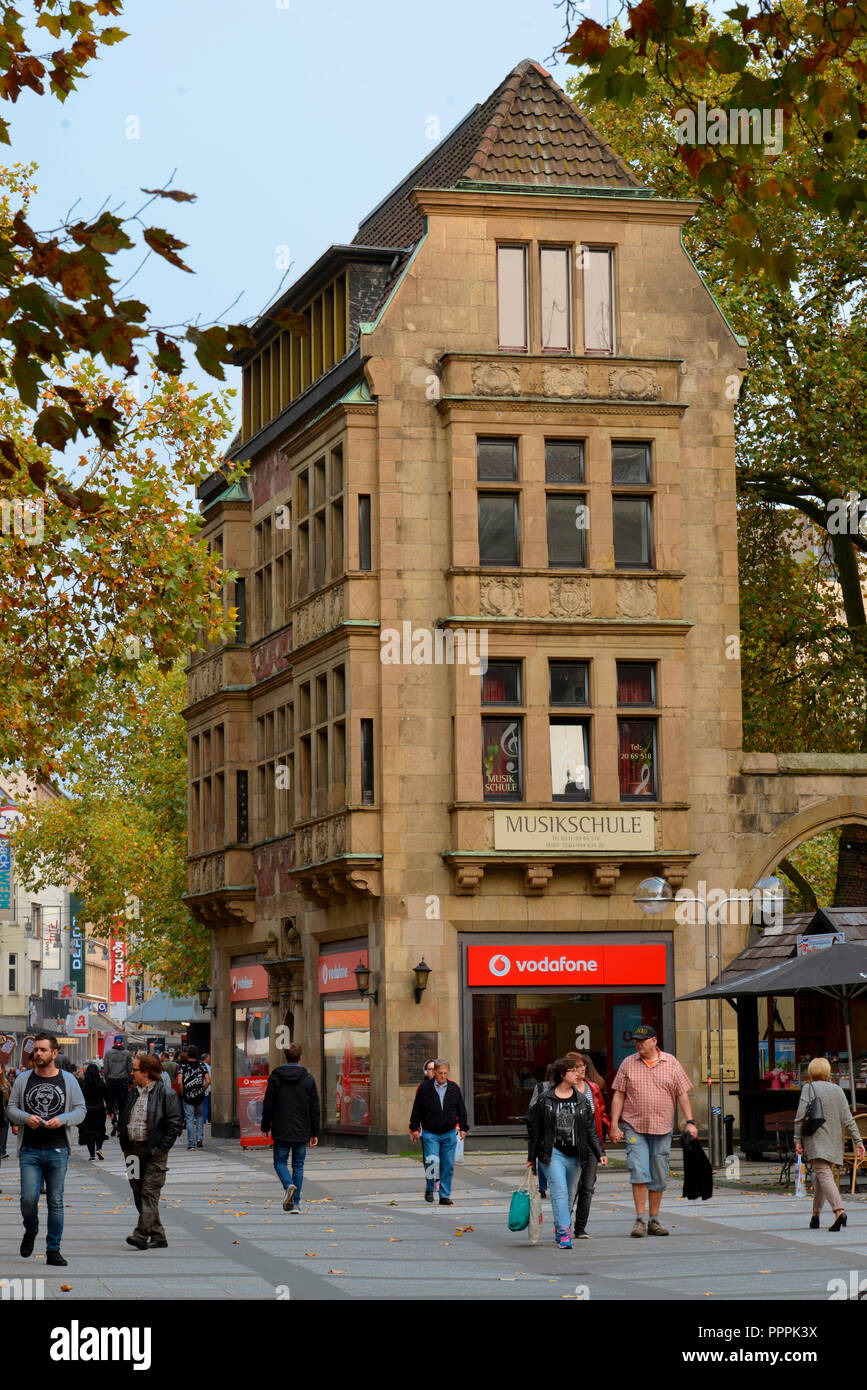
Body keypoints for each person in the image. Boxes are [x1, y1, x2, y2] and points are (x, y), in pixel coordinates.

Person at [609, 1024, 697, 1238]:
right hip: (634, 1126)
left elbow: (682, 1094)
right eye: (636, 1041)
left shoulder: (671, 1063)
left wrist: (690, 1121)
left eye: (642, 1040)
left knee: (658, 1173)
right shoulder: (628, 1063)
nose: (638, 1044)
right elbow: (619, 1095)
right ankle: (639, 1219)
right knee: (638, 1170)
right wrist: (613, 1124)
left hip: (662, 1127)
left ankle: (654, 1220)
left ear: (654, 1041)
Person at [7, 1031, 85, 1266]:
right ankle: (31, 1229)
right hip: (30, 1150)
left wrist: (62, 1120)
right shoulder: (23, 1079)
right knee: (28, 1199)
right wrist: (24, 1118)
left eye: (43, 1050)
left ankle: (53, 1249)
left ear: (54, 1052)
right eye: (36, 1050)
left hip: (57, 1150)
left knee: (56, 1201)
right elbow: (10, 1108)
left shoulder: (68, 1080)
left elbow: (81, 1110)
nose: (37, 1054)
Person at [526, 1057, 607, 1249]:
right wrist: (532, 1156)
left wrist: (599, 1152)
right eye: (572, 1071)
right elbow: (535, 1129)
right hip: (553, 1152)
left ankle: (559, 1226)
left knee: (570, 1194)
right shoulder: (545, 1099)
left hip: (577, 1154)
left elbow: (590, 1130)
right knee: (559, 1193)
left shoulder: (581, 1101)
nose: (577, 1074)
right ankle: (564, 1233)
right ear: (562, 1075)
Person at [118, 1052, 183, 1249]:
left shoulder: (166, 1094)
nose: (132, 1073)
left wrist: (162, 1148)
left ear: (146, 1072)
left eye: (135, 1070)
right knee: (138, 1193)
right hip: (131, 1152)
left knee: (149, 1193)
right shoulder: (132, 1093)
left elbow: (175, 1124)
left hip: (154, 1152)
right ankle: (158, 1234)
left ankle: (141, 1234)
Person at [795, 1055, 866, 1231]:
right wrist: (858, 1141)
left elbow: (800, 1117)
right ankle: (815, 1216)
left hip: (816, 1139)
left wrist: (797, 1140)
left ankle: (838, 1210)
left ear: (811, 1072)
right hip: (835, 1140)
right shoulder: (838, 1090)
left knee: (823, 1174)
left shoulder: (808, 1088)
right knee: (822, 1176)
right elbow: (849, 1119)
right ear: (827, 1072)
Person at [261, 1042, 320, 1213]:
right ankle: (296, 1204)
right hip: (302, 1128)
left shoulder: (275, 1077)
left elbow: (268, 1104)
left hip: (281, 1127)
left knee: (279, 1162)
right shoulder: (308, 1079)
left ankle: (288, 1185)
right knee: (298, 1165)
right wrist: (314, 1132)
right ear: (300, 1058)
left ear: (285, 1057)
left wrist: (265, 1126)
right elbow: (314, 1107)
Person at [409, 1059, 468, 1207]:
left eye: (445, 1073)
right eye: (440, 1073)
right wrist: (414, 1128)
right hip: (431, 1132)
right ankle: (430, 1187)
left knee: (448, 1165)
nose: (442, 1076)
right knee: (431, 1161)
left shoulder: (454, 1088)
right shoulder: (424, 1088)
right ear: (434, 1073)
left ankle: (444, 1195)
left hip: (449, 1133)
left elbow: (461, 1109)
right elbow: (417, 1110)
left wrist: (464, 1128)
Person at [177, 1044, 210, 1149]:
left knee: (190, 1118)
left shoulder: (183, 1066)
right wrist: (202, 1090)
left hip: (188, 1096)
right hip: (200, 1096)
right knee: (200, 1117)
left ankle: (191, 1144)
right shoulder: (202, 1065)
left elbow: (179, 1082)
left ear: (188, 1054)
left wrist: (182, 1093)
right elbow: (208, 1081)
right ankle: (199, 1138)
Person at [103, 1036, 133, 1136]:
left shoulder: (108, 1053)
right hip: (123, 1082)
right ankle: (121, 1126)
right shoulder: (127, 1054)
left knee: (110, 1106)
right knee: (122, 1106)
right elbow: (129, 1069)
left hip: (111, 1081)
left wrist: (107, 1080)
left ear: (114, 1042)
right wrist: (130, 1082)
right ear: (122, 1042)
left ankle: (114, 1121)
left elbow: (106, 1070)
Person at [78, 1063, 108, 1161]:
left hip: (88, 1109)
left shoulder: (84, 1084)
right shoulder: (101, 1084)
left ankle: (92, 1155)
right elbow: (106, 1096)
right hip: (99, 1109)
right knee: (100, 1130)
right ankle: (99, 1148)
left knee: (89, 1132)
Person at [201, 1052, 212, 1123]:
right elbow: (209, 1080)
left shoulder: (198, 1066)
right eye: (209, 1057)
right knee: (205, 1105)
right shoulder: (208, 1067)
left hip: (198, 1089)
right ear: (206, 1058)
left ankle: (200, 1120)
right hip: (206, 1089)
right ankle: (204, 1120)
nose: (210, 1059)